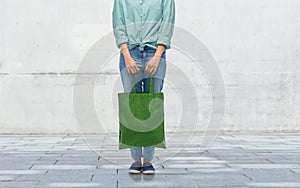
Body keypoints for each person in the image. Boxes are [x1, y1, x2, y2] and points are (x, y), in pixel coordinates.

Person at [112, 0, 175, 175]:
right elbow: (119, 22)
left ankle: (148, 159)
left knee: (152, 104)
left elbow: (167, 22)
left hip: (155, 53)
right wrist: (126, 55)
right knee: (131, 104)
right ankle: (135, 159)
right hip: (130, 53)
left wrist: (157, 55)